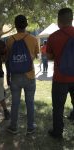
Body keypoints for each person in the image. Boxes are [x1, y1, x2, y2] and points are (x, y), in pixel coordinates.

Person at [6, 15, 39, 135]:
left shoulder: (10, 40)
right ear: (26, 25)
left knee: (15, 103)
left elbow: (8, 57)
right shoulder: (34, 39)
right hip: (30, 75)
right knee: (30, 102)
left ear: (15, 25)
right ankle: (30, 127)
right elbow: (35, 56)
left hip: (15, 76)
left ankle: (13, 126)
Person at [47, 8, 74, 139]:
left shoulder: (53, 37)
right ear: (72, 19)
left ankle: (57, 132)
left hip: (60, 78)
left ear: (59, 21)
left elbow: (49, 56)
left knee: (58, 108)